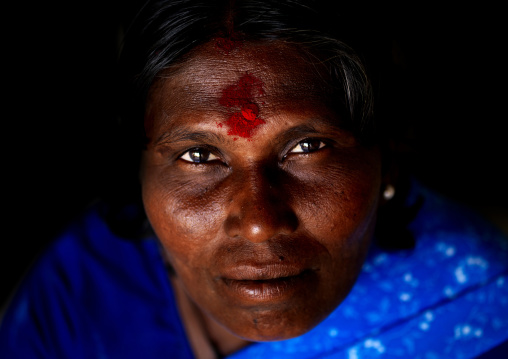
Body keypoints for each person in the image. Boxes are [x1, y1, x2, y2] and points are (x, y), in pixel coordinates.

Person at [1, 0, 507, 358]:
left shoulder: (481, 313)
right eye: (199, 155)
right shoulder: (74, 299)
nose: (261, 224)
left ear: (389, 155)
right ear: (137, 169)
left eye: (307, 148)